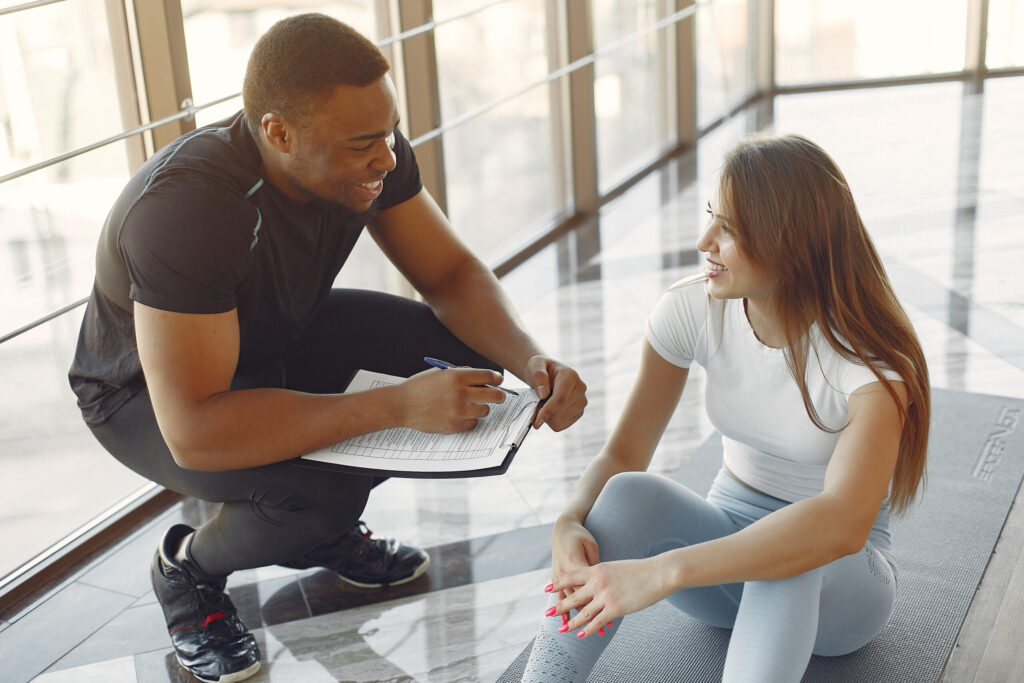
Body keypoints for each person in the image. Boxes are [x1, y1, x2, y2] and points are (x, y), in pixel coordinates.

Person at [68, 13, 587, 683]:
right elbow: (195, 427)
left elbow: (451, 275)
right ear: (279, 134)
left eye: (390, 131)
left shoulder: (371, 156)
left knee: (461, 361)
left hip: (270, 337)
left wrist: (531, 360)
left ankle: (318, 530)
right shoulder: (189, 210)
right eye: (363, 143)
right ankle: (190, 569)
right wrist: (396, 405)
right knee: (321, 495)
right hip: (146, 400)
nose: (388, 158)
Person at [521, 133, 930, 682]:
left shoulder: (872, 366)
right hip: (720, 568)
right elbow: (624, 453)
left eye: (729, 229)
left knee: (792, 552)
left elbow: (840, 526)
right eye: (713, 216)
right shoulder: (691, 309)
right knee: (626, 494)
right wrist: (567, 522)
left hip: (842, 592)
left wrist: (663, 572)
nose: (704, 240)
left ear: (792, 244)